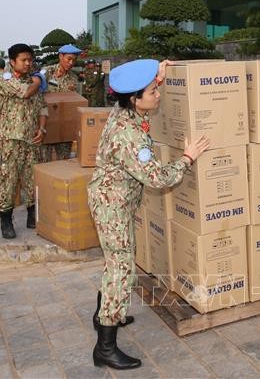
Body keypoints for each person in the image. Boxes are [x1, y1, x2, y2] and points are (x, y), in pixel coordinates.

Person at [88, 59, 210, 370]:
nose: (158, 95)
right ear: (135, 98)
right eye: (154, 91)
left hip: (115, 200)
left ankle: (105, 314)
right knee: (121, 267)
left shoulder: (125, 109)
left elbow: (140, 89)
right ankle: (105, 346)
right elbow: (158, 178)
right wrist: (187, 158)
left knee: (118, 261)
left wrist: (157, 76)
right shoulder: (129, 133)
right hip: (112, 204)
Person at [0, 43, 48, 239]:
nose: (28, 63)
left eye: (30, 60)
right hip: (11, 140)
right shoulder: (3, 78)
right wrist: (37, 79)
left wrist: (42, 129)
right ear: (12, 61)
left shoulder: (32, 80)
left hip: (32, 139)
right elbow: (25, 92)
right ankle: (6, 220)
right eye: (23, 60)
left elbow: (43, 107)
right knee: (8, 179)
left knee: (31, 178)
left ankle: (32, 215)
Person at [40, 44, 81, 162]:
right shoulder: (47, 72)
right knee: (44, 161)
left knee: (64, 161)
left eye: (74, 60)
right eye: (69, 59)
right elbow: (37, 95)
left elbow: (75, 100)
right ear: (60, 56)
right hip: (47, 122)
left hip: (64, 123)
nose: (71, 63)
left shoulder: (73, 77)